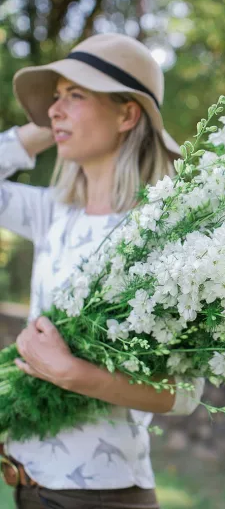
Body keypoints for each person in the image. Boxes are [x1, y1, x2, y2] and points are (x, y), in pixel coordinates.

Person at [0, 33, 205, 509]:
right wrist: (51, 126)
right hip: (28, 484)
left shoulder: (158, 233)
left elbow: (185, 393)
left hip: (101, 495)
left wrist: (74, 374)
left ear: (127, 114)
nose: (55, 108)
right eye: (55, 98)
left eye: (76, 96)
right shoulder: (55, 213)